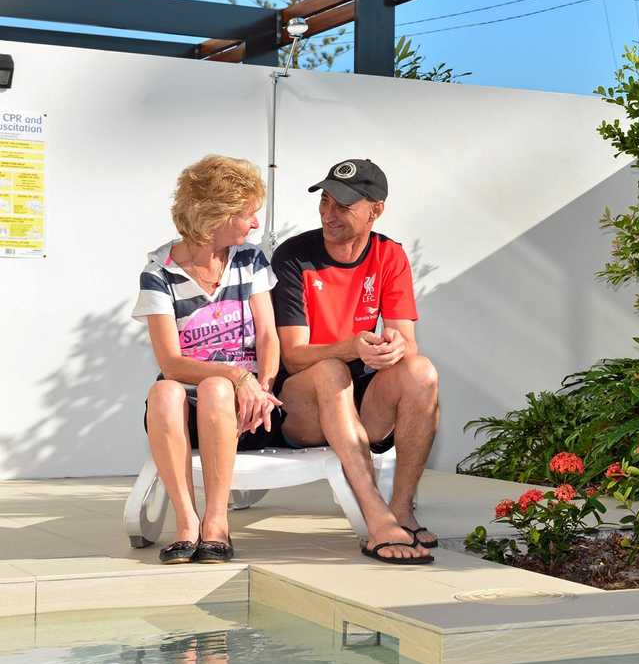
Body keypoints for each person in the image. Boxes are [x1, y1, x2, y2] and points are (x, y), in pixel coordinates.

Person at [271, 158, 440, 564]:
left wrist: (393, 349)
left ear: (375, 209)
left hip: (357, 401)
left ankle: (401, 509)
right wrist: (350, 348)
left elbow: (408, 344)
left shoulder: (389, 255)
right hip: (302, 405)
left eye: (343, 206)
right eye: (325, 202)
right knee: (330, 370)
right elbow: (292, 358)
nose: (329, 214)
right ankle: (375, 514)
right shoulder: (294, 256)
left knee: (422, 371)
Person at [133, 154, 283, 564]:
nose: (255, 224)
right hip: (186, 412)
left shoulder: (250, 260)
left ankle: (217, 522)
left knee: (218, 388)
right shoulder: (159, 272)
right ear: (214, 215)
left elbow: (268, 336)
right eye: (248, 214)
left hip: (248, 411)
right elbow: (172, 362)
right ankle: (187, 523)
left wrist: (262, 385)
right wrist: (236, 374)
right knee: (164, 391)